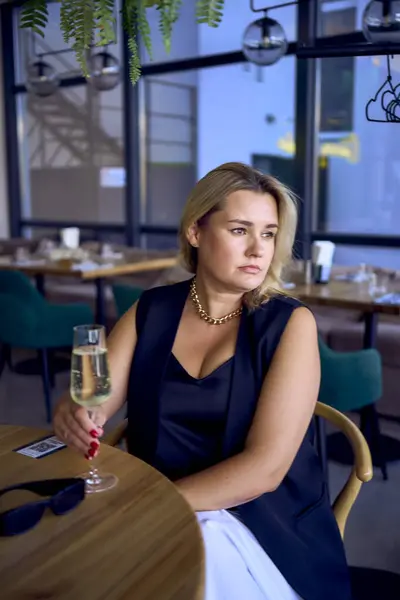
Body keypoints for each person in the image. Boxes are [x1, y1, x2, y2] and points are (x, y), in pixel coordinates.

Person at [54, 162, 352, 600]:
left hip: (263, 520)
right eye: (239, 230)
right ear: (196, 231)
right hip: (158, 503)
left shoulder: (290, 324)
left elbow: (265, 470)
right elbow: (94, 404)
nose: (257, 249)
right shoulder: (151, 310)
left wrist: (156, 506)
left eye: (268, 234)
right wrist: (74, 414)